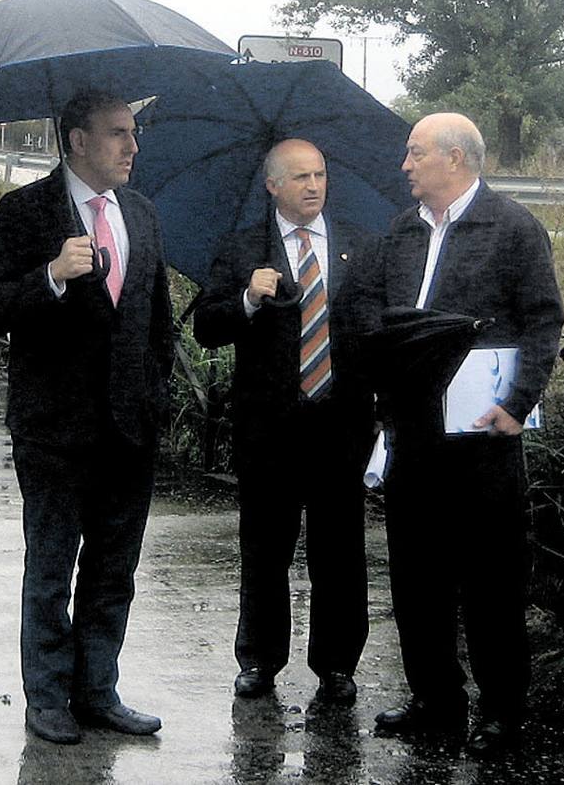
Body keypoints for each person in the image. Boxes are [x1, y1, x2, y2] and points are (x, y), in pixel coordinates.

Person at [0, 90, 174, 745]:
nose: (132, 146)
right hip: (53, 431)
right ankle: (48, 696)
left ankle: (98, 691)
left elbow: (157, 323)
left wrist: (155, 397)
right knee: (52, 569)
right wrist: (53, 275)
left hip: (128, 432)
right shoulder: (24, 211)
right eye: (118, 133)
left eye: (134, 132)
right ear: (77, 141)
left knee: (114, 572)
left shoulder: (139, 214)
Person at [365, 113, 564, 756]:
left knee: (491, 580)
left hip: (483, 438)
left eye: (414, 153)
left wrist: (518, 402)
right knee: (415, 574)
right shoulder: (399, 233)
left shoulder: (513, 228)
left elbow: (543, 321)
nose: (404, 165)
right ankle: (434, 699)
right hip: (414, 432)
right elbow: (369, 309)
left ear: (454, 158)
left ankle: (503, 711)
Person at [192, 138, 376, 708]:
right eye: (299, 177)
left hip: (340, 426)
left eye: (320, 174)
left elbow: (374, 327)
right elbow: (206, 325)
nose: (314, 186)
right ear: (273, 185)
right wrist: (247, 299)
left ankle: (338, 665)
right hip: (269, 428)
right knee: (265, 549)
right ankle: (260, 660)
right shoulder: (245, 247)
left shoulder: (358, 247)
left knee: (340, 552)